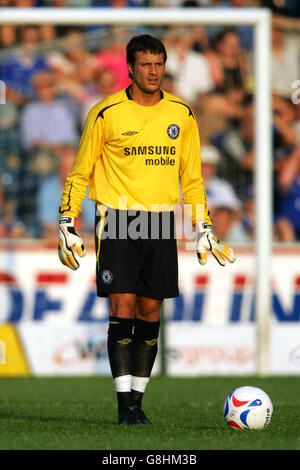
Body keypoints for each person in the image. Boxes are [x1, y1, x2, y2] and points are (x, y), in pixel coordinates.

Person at [57, 34, 236, 425]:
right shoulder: (105, 113)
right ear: (131, 69)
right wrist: (67, 221)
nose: (154, 71)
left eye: (159, 64)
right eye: (146, 65)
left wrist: (201, 224)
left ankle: (138, 401)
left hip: (159, 221)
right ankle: (126, 407)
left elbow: (192, 178)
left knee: (150, 312)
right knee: (121, 307)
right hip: (118, 219)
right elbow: (81, 172)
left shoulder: (182, 114)